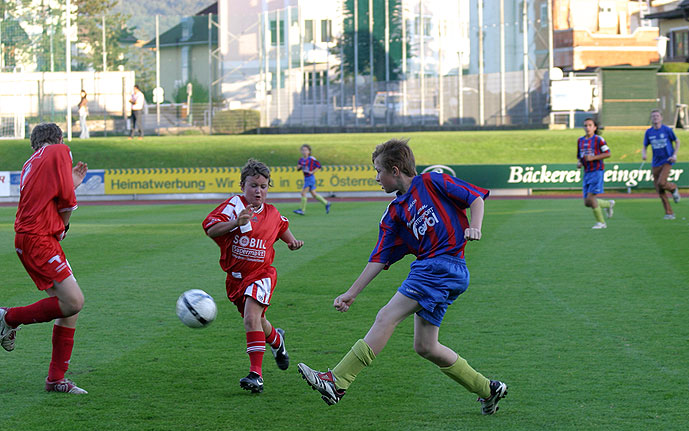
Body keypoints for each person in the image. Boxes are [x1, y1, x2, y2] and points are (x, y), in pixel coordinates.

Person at [297, 139, 507, 415]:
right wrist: (352, 292)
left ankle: (337, 381)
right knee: (425, 346)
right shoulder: (394, 213)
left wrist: (475, 227)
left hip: (439, 267)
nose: (376, 178)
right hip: (441, 272)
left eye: (378, 171)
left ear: (395, 170)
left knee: (387, 316)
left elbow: (475, 198)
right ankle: (488, 389)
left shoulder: (432, 182)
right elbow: (379, 258)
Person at [0, 123, 89, 394]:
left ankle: (55, 379)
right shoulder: (58, 150)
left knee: (70, 308)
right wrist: (65, 224)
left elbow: (50, 195)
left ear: (33, 144)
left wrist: (67, 182)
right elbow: (67, 202)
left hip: (33, 237)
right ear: (60, 139)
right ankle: (8, 318)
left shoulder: (33, 161)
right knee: (74, 301)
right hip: (39, 238)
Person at [203, 158, 304, 393]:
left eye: (263, 186)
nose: (258, 191)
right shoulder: (234, 206)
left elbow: (281, 226)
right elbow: (210, 228)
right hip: (236, 278)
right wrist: (235, 223)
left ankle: (255, 375)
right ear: (242, 186)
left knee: (250, 319)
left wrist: (292, 242)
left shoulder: (272, 212)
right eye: (253, 185)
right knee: (258, 322)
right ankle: (277, 341)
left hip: (262, 274)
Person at [642, 109, 681, 219]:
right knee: (660, 190)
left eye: (657, 116)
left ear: (661, 118)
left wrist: (674, 155)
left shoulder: (667, 130)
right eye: (653, 116)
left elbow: (677, 141)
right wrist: (644, 154)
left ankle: (673, 188)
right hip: (655, 163)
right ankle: (669, 213)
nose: (655, 118)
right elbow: (645, 146)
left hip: (667, 161)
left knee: (661, 182)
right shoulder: (649, 132)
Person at [577, 117, 614, 229]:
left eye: (590, 125)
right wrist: (580, 163)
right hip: (587, 172)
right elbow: (581, 156)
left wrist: (593, 158)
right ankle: (608, 204)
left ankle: (601, 223)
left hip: (597, 171)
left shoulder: (599, 140)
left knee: (591, 198)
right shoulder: (580, 140)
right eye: (585, 125)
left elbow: (608, 153)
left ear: (594, 127)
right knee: (587, 202)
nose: (587, 128)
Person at [292, 144, 331, 215]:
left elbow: (319, 166)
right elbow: (297, 168)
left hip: (310, 178)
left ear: (309, 151)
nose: (304, 152)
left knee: (303, 193)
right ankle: (326, 203)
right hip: (306, 178)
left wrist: (312, 171)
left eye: (306, 150)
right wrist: (300, 167)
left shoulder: (311, 159)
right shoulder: (301, 160)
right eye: (303, 150)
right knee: (313, 194)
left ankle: (302, 210)